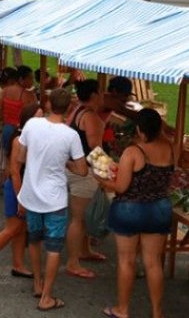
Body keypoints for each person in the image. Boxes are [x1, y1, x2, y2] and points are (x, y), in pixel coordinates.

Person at [94, 109, 173, 318]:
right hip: (159, 209)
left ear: (138, 128)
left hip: (130, 210)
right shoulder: (170, 148)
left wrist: (101, 180)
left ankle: (123, 309)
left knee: (127, 261)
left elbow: (120, 187)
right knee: (153, 263)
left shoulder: (133, 152)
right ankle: (157, 313)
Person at [16, 88, 88, 311]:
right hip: (55, 198)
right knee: (54, 247)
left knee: (34, 240)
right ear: (68, 109)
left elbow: (20, 157)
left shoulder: (32, 125)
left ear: (47, 105)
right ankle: (47, 295)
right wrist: (66, 163)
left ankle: (37, 283)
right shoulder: (70, 135)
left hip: (31, 195)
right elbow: (83, 170)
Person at [0, 104, 41, 279]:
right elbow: (14, 172)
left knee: (20, 229)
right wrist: (21, 199)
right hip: (17, 189)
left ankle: (18, 265)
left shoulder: (29, 139)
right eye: (39, 117)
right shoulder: (19, 141)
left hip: (22, 189)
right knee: (12, 229)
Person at [65, 79, 107, 279]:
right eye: (100, 92)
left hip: (74, 167)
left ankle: (85, 249)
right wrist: (108, 173)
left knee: (83, 218)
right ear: (93, 95)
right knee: (79, 219)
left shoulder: (77, 110)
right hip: (84, 173)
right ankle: (73, 262)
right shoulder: (90, 117)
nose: (103, 96)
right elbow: (95, 149)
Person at [0, 67, 37, 150]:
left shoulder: (4, 91)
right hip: (19, 132)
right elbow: (32, 114)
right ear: (21, 79)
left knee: (6, 156)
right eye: (30, 78)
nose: (32, 81)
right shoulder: (28, 95)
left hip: (6, 129)